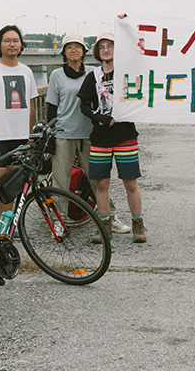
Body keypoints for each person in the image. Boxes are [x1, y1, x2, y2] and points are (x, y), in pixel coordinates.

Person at [45, 34, 131, 233]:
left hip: (90, 134)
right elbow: (51, 108)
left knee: (98, 179)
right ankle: (60, 220)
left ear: (84, 52)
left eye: (78, 47)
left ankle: (110, 217)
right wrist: (50, 133)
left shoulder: (95, 72)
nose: (74, 50)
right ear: (64, 52)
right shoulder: (57, 75)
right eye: (69, 47)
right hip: (64, 134)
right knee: (61, 180)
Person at [78, 31, 146, 243]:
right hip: (101, 137)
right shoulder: (94, 76)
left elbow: (143, 53)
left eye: (111, 46)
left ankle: (138, 223)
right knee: (101, 183)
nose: (106, 50)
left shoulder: (128, 73)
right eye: (102, 47)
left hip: (125, 135)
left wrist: (126, 25)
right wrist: (101, 118)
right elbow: (84, 105)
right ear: (98, 52)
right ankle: (104, 224)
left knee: (130, 183)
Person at [0, 25, 37, 215]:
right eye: (7, 40)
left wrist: (31, 136)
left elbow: (31, 106)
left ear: (21, 45)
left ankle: (7, 228)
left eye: (16, 40)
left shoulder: (27, 72)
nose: (12, 44)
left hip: (21, 138)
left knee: (13, 187)